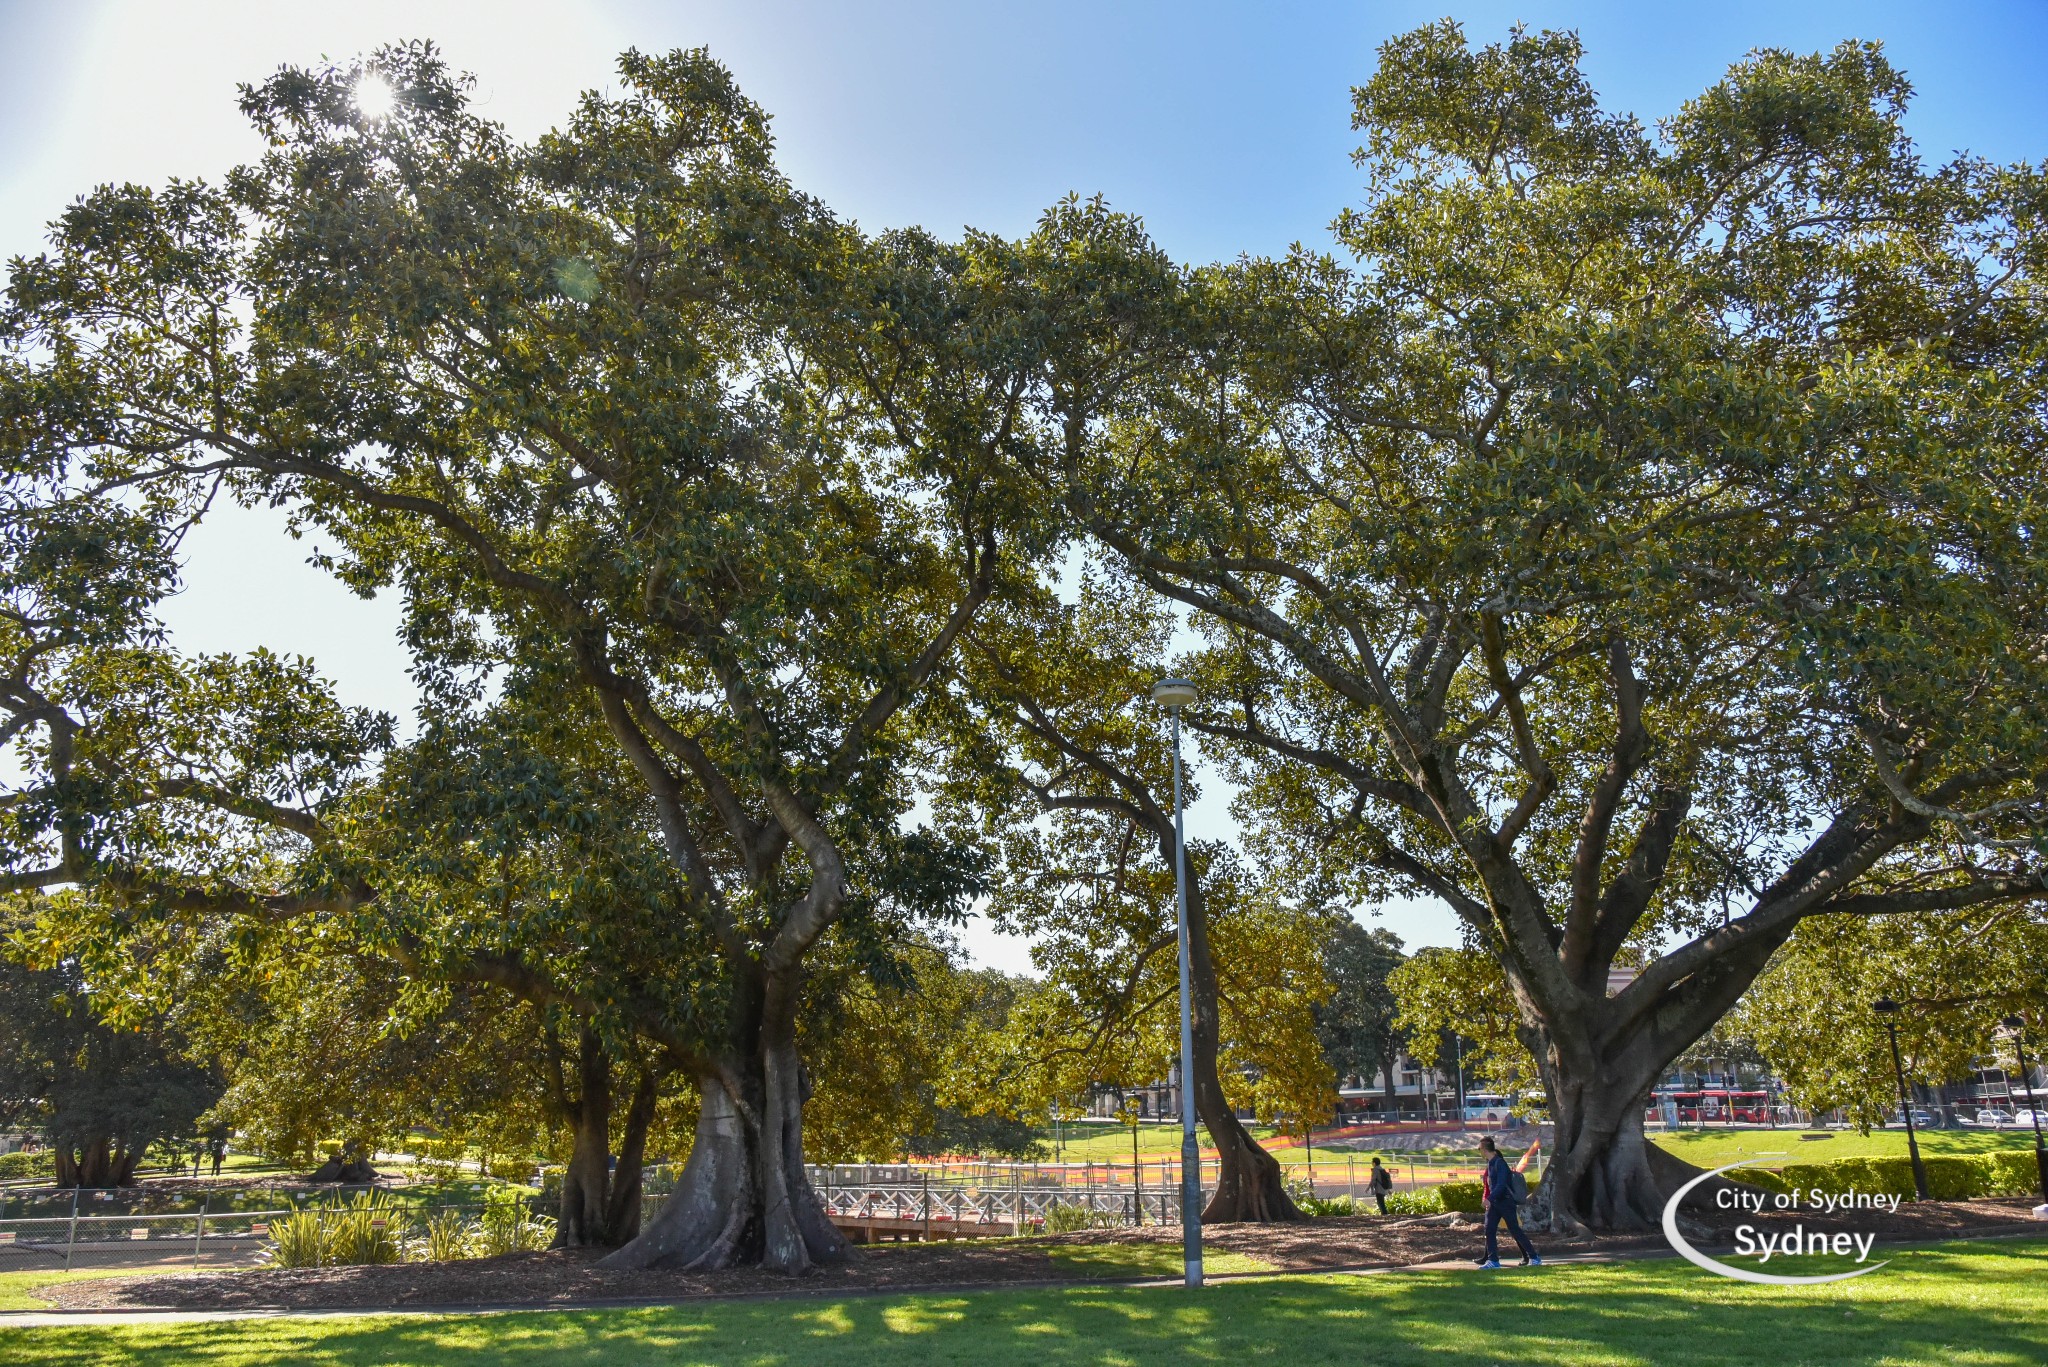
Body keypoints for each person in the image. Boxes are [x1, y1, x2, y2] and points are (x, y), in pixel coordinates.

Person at [1474, 1136, 1540, 1269]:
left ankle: (1534, 1257)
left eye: (1480, 1149)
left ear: (1485, 1149)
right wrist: (1490, 1200)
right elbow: (1491, 1185)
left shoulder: (1500, 1163)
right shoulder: (1490, 1164)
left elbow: (1501, 1184)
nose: (1479, 1152)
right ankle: (1493, 1260)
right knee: (1489, 1229)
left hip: (1505, 1202)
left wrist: (1489, 1199)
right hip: (1495, 1203)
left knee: (1515, 1230)